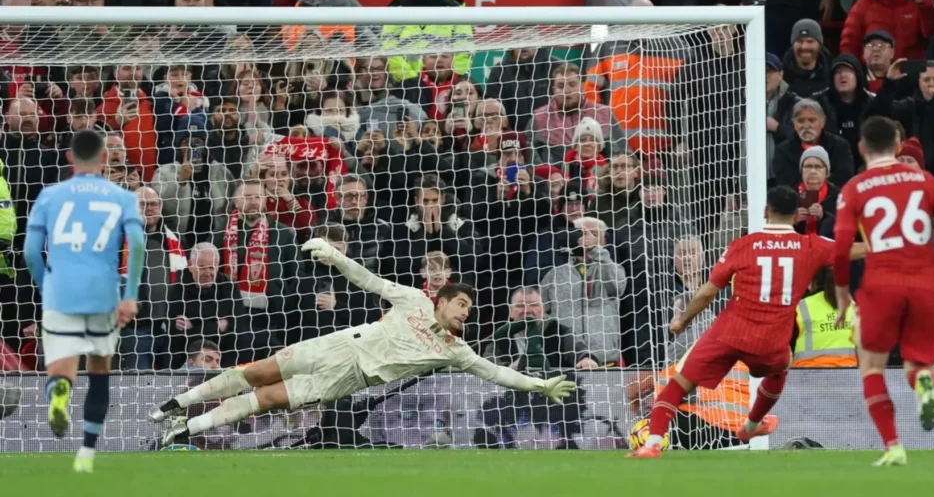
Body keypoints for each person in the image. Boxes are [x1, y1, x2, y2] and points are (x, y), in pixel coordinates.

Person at [150, 238, 576, 444]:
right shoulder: (412, 299)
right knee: (255, 372)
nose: (466, 312)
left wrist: (540, 385)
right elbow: (369, 280)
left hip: (347, 379)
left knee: (268, 399)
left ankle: (185, 430)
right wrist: (335, 257)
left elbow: (497, 372)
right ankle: (177, 404)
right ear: (442, 300)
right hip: (340, 344)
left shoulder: (456, 350)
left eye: (469, 308)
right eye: (461, 303)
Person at [627, 186, 866, 459]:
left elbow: (707, 293)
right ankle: (752, 425)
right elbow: (853, 251)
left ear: (766, 212)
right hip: (771, 340)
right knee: (780, 369)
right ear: (796, 216)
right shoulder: (811, 246)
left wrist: (683, 320)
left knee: (678, 383)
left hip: (728, 333)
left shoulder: (742, 245)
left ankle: (653, 443)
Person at [832, 116, 934, 467]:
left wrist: (843, 292)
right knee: (917, 362)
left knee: (872, 367)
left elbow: (842, 245)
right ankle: (923, 383)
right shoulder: (925, 181)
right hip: (925, 283)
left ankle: (893, 445)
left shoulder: (855, 188)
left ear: (861, 148)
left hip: (880, 284)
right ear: (897, 146)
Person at [22, 130, 146, 473]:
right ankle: (86, 453)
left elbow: (31, 251)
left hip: (60, 291)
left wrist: (46, 285)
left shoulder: (49, 196)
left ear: (69, 159)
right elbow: (136, 243)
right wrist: (130, 296)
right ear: (105, 159)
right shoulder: (122, 197)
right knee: (99, 369)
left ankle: (59, 390)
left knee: (62, 369)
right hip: (104, 293)